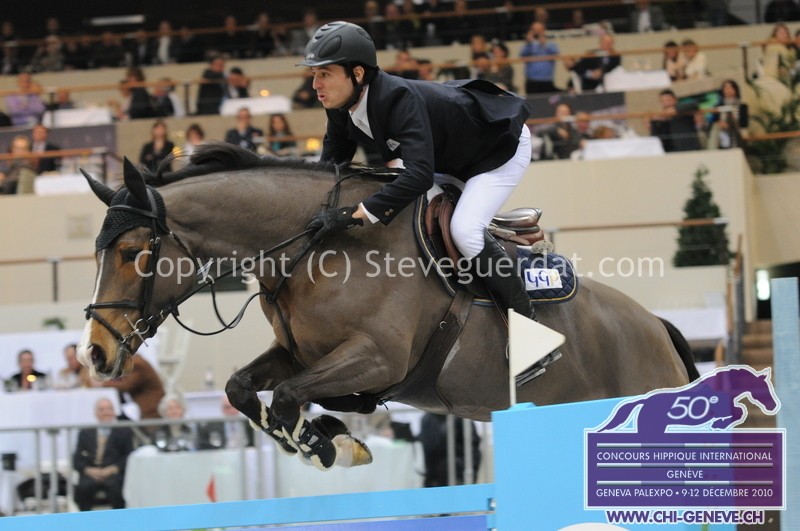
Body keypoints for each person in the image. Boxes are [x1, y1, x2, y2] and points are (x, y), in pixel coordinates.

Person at [299, 22, 539, 345]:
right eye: (314, 74)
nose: (315, 84)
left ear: (357, 74)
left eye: (325, 74)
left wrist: (354, 215)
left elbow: (419, 176)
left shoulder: (398, 98)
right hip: (446, 157)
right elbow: (330, 169)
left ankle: (529, 327)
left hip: (498, 149)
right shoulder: (340, 106)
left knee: (464, 230)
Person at [72, 397, 133, 511]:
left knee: (116, 488)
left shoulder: (124, 432)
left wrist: (112, 469)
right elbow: (77, 459)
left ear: (114, 412)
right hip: (91, 474)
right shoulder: (85, 433)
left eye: (109, 409)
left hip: (114, 474)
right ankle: (86, 519)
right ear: (96, 413)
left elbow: (128, 456)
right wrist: (89, 470)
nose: (105, 413)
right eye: (101, 410)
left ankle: (120, 519)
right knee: (83, 489)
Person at [87, 355, 165, 421]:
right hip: (144, 409)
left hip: (150, 411)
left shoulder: (136, 363)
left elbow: (126, 385)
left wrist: (102, 383)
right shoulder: (131, 362)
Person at [419, 413, 481, 487]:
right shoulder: (426, 419)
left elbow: (473, 446)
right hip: (434, 476)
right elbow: (428, 450)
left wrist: (472, 474)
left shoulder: (461, 417)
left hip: (457, 474)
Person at [707, 79, 749, 150]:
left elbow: (744, 124)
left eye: (730, 87)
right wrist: (719, 123)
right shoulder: (718, 106)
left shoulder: (742, 106)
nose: (728, 90)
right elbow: (713, 122)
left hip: (737, 134)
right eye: (726, 88)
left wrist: (730, 125)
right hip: (722, 136)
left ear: (735, 90)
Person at [520, 21, 559, 95]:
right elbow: (522, 55)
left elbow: (555, 54)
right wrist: (529, 43)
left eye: (539, 30)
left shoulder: (550, 44)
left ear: (543, 30)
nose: (537, 32)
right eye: (535, 30)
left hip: (547, 80)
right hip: (532, 81)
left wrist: (544, 43)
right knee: (533, 101)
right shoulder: (528, 44)